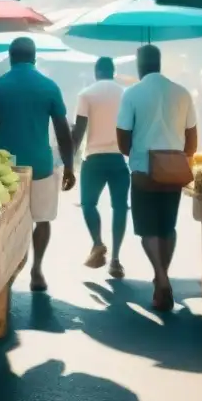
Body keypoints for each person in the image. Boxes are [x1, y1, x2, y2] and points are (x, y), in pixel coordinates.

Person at [0, 37, 76, 292]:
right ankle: (37, 270)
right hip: (41, 165)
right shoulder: (48, 86)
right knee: (42, 219)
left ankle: (8, 273)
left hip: (4, 167)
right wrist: (69, 165)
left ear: (10, 57)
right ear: (34, 57)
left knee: (5, 222)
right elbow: (63, 131)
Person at [116, 45, 197, 311]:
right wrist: (175, 160)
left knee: (147, 229)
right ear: (159, 63)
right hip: (173, 170)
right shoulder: (182, 93)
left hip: (142, 170)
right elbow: (192, 141)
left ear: (139, 66)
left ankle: (161, 279)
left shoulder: (132, 94)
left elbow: (122, 140)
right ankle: (162, 277)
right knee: (167, 227)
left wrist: (139, 156)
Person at [72, 57, 129, 278]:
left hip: (94, 158)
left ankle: (97, 243)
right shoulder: (125, 94)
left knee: (88, 204)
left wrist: (70, 160)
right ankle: (115, 260)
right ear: (113, 72)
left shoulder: (86, 94)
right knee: (120, 207)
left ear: (96, 72)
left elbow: (79, 130)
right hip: (118, 158)